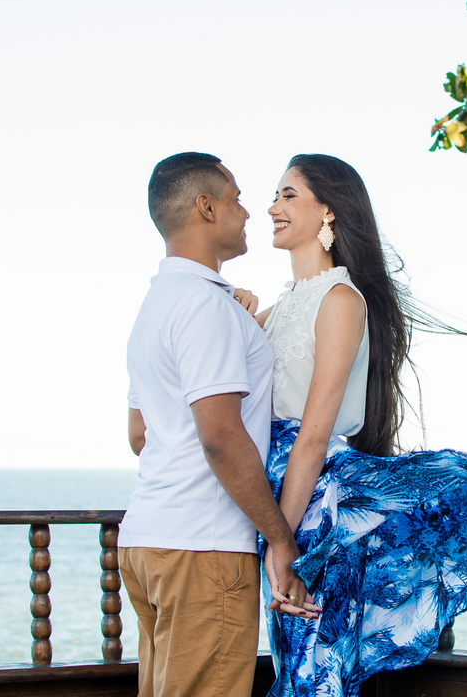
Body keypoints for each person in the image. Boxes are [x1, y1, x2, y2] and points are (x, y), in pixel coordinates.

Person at [254, 153, 467, 697]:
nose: (273, 208)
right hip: (281, 502)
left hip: (311, 506)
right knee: (298, 665)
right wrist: (240, 306)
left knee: (314, 670)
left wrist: (281, 541)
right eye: (274, 196)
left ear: (329, 210)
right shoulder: (281, 305)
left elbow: (313, 437)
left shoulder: (340, 300)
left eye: (288, 195)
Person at [117, 152, 317, 697]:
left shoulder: (156, 305)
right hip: (202, 548)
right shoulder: (207, 308)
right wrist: (280, 538)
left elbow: (140, 435)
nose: (249, 212)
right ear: (205, 207)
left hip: (146, 542)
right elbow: (221, 438)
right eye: (236, 199)